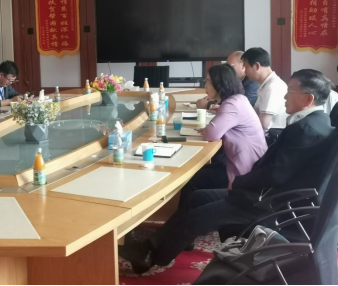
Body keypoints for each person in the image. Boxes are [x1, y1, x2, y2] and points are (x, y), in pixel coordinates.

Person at [119, 69, 334, 274]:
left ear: (308, 99)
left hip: (266, 203)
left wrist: (240, 182)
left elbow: (276, 174)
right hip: (266, 194)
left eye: (290, 91)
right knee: (197, 197)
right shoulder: (318, 122)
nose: (285, 96)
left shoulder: (306, 130)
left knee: (196, 219)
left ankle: (151, 256)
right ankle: (154, 246)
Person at [181, 64, 267, 207]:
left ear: (220, 84)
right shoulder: (239, 99)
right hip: (249, 165)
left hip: (242, 172)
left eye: (208, 81)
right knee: (195, 172)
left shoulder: (231, 105)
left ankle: (186, 218)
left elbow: (211, 134)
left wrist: (210, 126)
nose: (205, 86)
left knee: (191, 178)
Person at [242, 48, 288, 131]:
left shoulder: (272, 86)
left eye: (246, 67)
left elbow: (264, 123)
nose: (244, 71)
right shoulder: (266, 84)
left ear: (257, 66)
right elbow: (254, 113)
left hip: (272, 135)